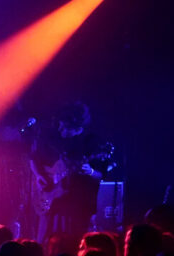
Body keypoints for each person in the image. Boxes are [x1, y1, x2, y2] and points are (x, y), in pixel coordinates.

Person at [29, 101, 112, 245]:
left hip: (79, 202)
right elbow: (33, 158)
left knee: (76, 239)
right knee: (44, 237)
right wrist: (39, 176)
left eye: (65, 127)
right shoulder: (52, 138)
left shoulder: (91, 142)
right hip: (52, 197)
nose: (60, 129)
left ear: (78, 127)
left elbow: (101, 175)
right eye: (60, 125)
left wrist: (91, 171)